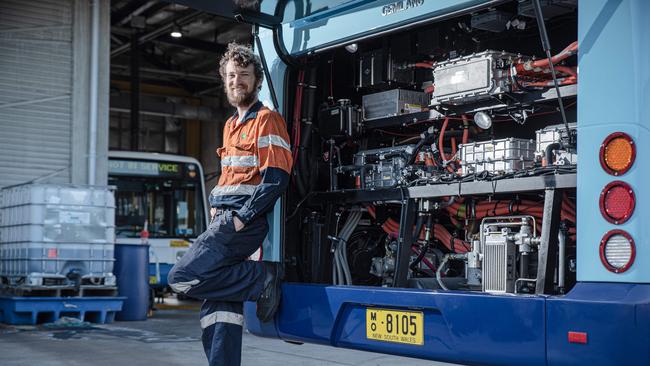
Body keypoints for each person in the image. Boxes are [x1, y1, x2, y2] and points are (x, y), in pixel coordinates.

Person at [168, 42, 292, 366]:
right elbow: (229, 175)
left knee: (180, 277)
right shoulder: (229, 126)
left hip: (239, 224)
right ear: (225, 80)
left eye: (244, 75)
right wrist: (213, 206)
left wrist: (242, 218)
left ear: (258, 80)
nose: (237, 81)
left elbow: (276, 179)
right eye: (231, 75)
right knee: (218, 305)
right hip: (221, 220)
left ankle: (261, 278)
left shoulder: (267, 120)